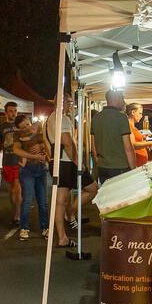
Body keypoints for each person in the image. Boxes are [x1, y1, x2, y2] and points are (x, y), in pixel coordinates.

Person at [47, 99, 96, 247]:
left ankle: (63, 235)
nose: (71, 105)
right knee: (92, 188)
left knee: (60, 200)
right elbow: (67, 142)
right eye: (68, 102)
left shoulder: (51, 118)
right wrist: (79, 163)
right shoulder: (62, 118)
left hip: (57, 161)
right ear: (61, 102)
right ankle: (70, 214)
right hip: (66, 162)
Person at [12, 113, 50, 241]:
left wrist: (41, 146)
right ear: (18, 129)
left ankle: (45, 228)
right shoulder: (17, 136)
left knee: (43, 201)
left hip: (41, 168)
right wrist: (35, 156)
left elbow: (47, 143)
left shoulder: (39, 130)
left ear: (30, 121)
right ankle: (24, 228)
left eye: (28, 124)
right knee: (27, 200)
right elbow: (16, 150)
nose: (27, 128)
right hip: (27, 170)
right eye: (23, 127)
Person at [89, 90, 136, 182]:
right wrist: (134, 169)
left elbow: (93, 144)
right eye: (122, 98)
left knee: (107, 194)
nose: (124, 102)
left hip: (102, 166)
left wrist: (98, 161)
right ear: (115, 99)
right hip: (120, 167)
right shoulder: (121, 117)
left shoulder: (96, 118)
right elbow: (128, 148)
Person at [0, 101, 23, 226]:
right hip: (7, 162)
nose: (14, 113)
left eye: (15, 111)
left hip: (19, 161)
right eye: (11, 111)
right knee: (11, 190)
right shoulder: (1, 128)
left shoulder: (21, 125)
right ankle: (15, 210)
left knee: (17, 188)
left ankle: (18, 215)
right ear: (6, 112)